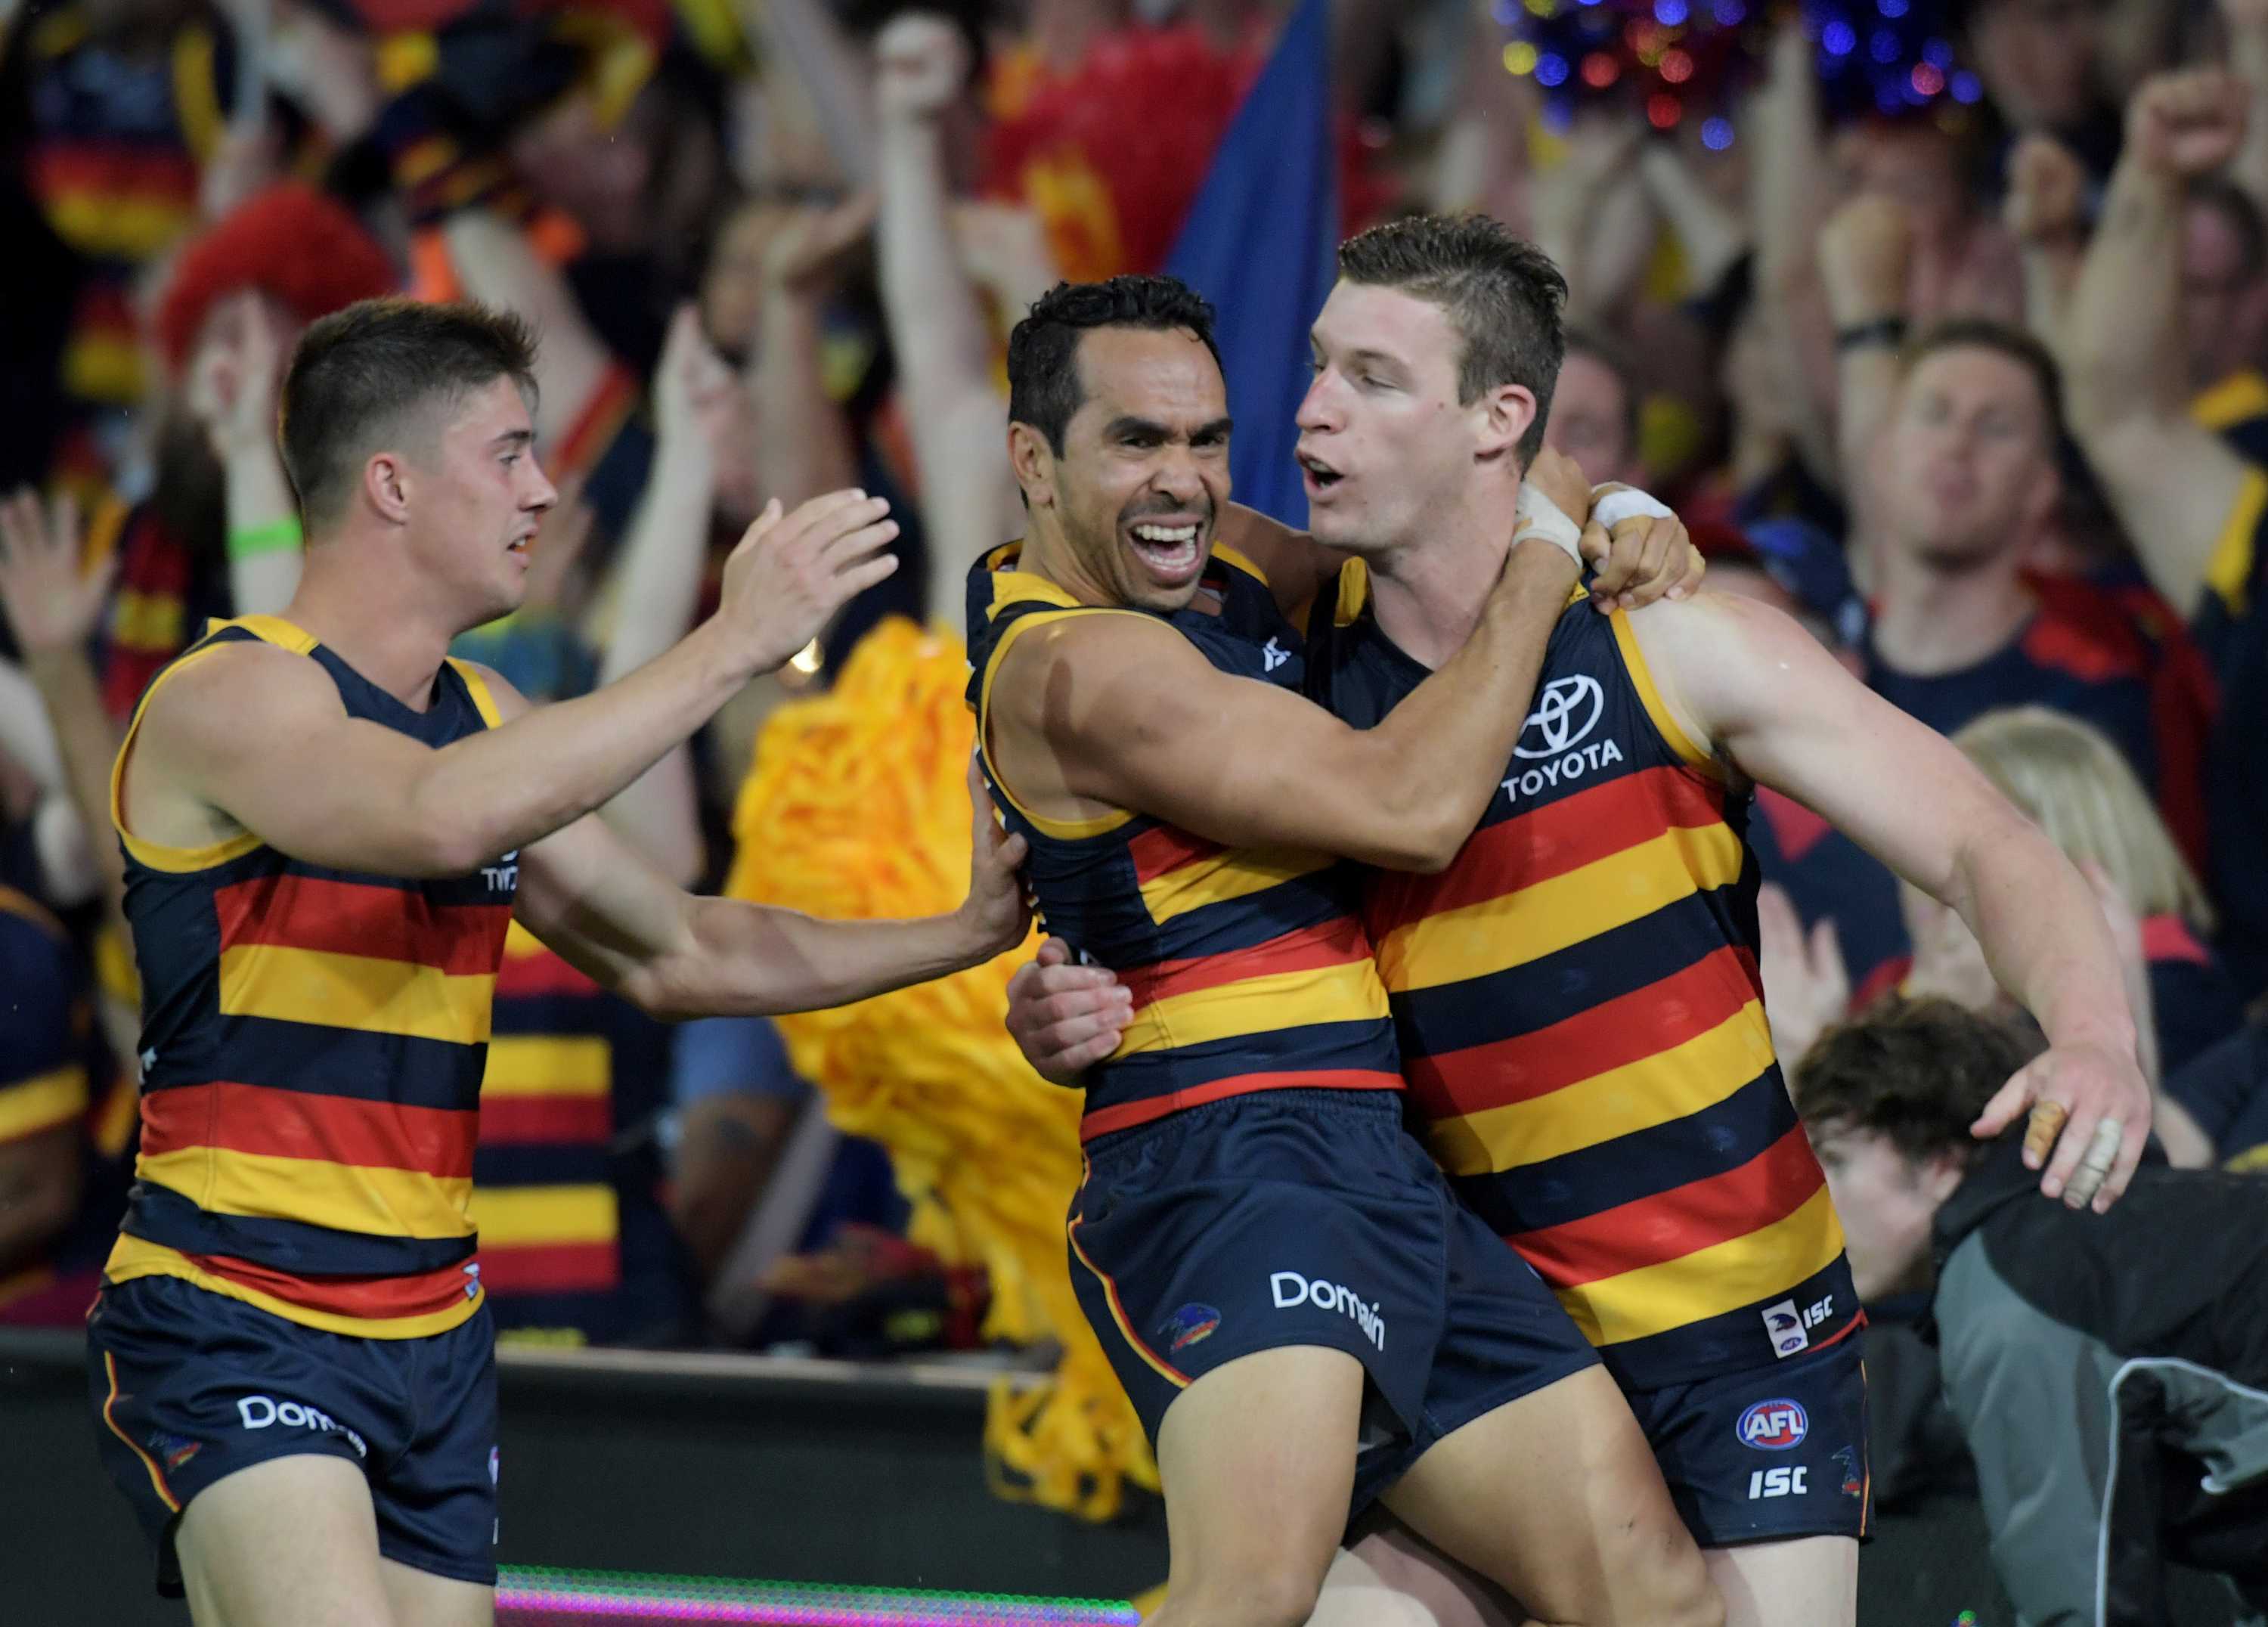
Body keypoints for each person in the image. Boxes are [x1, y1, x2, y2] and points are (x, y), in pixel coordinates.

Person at [1011, 214, 2156, 1627]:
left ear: (1496, 420)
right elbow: (1063, 656)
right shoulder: (1273, 654)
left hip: (1745, 1329)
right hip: (1475, 1321)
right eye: (1315, 367)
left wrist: (2096, 1035)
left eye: (1370, 378)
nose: (1307, 409)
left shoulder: (1668, 634)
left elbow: (1986, 837)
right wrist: (1064, 987)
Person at [76, 296, 1032, 1627]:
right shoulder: (230, 695)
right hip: (236, 1306)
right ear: (394, 485)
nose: (545, 488)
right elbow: (434, 817)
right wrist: (730, 641)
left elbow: (681, 946)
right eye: (511, 452)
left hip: (432, 1336)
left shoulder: (484, 716)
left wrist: (964, 933)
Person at [973, 270, 1722, 1627]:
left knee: (1656, 1598)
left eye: (1206, 438)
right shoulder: (1078, 666)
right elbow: (1408, 808)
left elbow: (1467, 463)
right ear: (1033, 459)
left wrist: (1615, 501)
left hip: (1375, 1159)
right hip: (1224, 1161)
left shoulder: (1222, 559)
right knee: (1251, 1593)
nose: (1184, 480)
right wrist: (1556, 545)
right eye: (1136, 441)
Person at [1796, 997, 2268, 1627]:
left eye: (1834, 1162)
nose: (1810, 1208)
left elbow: (2085, 1610)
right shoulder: (2092, 1225)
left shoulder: (2008, 1297)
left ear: (1941, 1162)